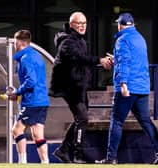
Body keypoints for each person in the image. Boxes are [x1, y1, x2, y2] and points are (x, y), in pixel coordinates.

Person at [49, 11, 113, 163]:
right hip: (70, 87)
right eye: (79, 23)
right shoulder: (67, 42)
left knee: (81, 119)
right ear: (72, 25)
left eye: (84, 23)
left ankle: (63, 150)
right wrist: (99, 60)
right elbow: (78, 58)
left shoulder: (79, 40)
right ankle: (78, 155)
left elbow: (83, 61)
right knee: (83, 118)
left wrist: (102, 62)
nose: (82, 26)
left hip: (79, 86)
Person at [96, 13, 158, 164]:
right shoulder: (140, 38)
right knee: (145, 121)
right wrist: (117, 59)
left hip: (128, 87)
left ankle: (111, 158)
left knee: (116, 121)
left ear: (120, 25)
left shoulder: (122, 40)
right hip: (142, 88)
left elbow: (125, 63)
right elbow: (133, 60)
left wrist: (123, 84)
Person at [7, 29, 50, 164]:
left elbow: (31, 81)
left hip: (32, 102)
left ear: (19, 42)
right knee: (38, 133)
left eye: (15, 43)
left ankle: (22, 162)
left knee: (16, 129)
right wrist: (18, 92)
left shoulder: (25, 59)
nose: (14, 45)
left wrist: (17, 92)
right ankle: (45, 162)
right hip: (42, 100)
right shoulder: (36, 55)